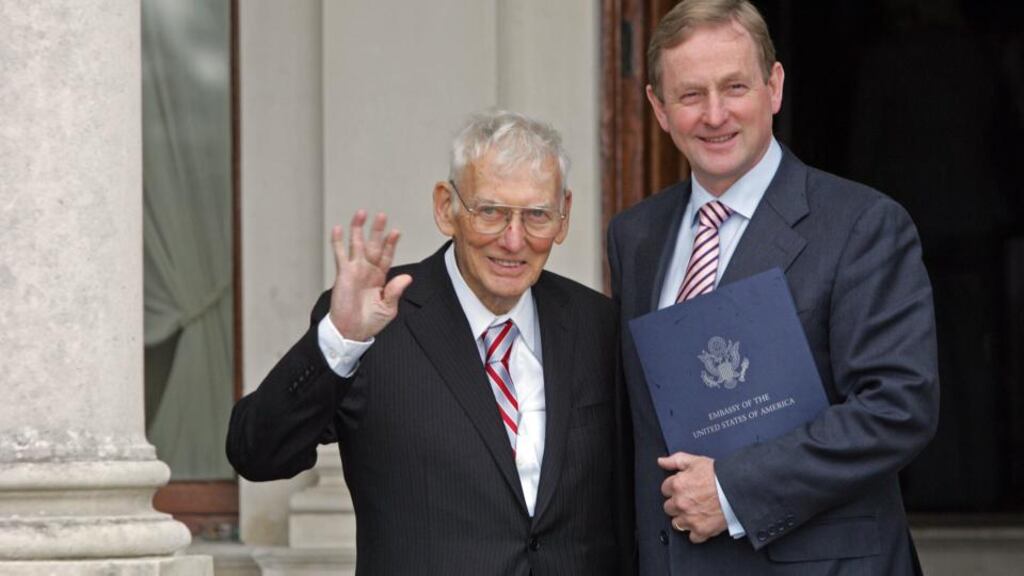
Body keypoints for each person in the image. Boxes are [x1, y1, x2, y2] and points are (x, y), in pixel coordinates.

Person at [606, 1, 939, 574]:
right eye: (690, 95)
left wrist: (733, 490)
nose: (715, 115)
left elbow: (897, 406)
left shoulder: (861, 224)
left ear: (774, 86)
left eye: (735, 87)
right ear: (658, 109)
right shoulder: (635, 235)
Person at [227, 110, 632, 575]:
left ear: (563, 217)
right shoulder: (374, 322)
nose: (514, 240)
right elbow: (255, 454)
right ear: (447, 208)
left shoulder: (597, 325)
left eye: (537, 215)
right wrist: (338, 343)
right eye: (491, 212)